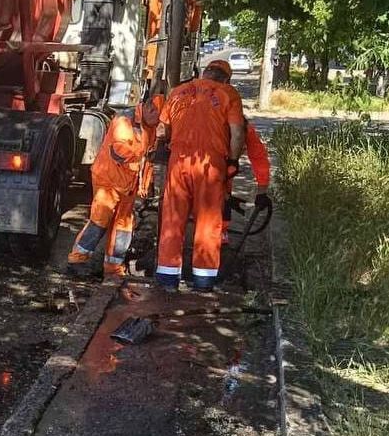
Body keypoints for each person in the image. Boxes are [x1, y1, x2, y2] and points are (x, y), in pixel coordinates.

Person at [156, 59, 245, 290]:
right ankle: (203, 280)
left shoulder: (178, 91)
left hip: (178, 161)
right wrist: (233, 161)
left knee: (173, 218)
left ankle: (167, 277)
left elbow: (162, 129)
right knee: (208, 220)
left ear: (205, 73)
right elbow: (237, 133)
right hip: (210, 165)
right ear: (226, 79)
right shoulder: (228, 94)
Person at [67, 95, 164, 278]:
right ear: (150, 109)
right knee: (99, 220)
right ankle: (77, 260)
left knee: (123, 227)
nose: (159, 123)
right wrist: (142, 157)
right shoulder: (124, 120)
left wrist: (146, 184)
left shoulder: (149, 127)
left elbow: (147, 159)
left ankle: (113, 267)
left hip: (127, 184)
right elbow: (118, 152)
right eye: (158, 118)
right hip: (109, 180)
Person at [222, 117, 271, 243]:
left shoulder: (247, 130)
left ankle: (221, 229)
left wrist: (262, 191)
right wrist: (224, 196)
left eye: (243, 144)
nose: (242, 148)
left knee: (227, 175)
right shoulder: (209, 130)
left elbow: (259, 159)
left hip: (223, 164)